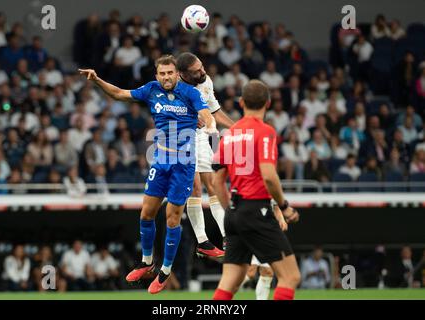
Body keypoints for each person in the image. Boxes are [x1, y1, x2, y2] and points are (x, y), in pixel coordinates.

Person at [79, 55, 216, 294]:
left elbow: (206, 114)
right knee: (146, 214)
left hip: (183, 163)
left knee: (172, 218)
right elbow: (120, 94)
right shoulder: (151, 89)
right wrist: (97, 80)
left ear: (177, 74)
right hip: (161, 159)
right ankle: (146, 262)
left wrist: (210, 125)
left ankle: (165, 271)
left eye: (170, 73)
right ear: (157, 75)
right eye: (162, 73)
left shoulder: (191, 93)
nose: (166, 77)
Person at [212, 80, 301, 300]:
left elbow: (216, 182)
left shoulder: (229, 134)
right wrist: (284, 207)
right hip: (257, 210)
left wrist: (231, 210)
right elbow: (269, 176)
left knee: (229, 282)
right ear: (268, 103)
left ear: (241, 102)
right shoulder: (266, 131)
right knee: (290, 277)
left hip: (233, 213)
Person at [176, 52, 235, 259]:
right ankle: (202, 241)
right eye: (196, 71)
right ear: (183, 74)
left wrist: (237, 127)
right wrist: (191, 119)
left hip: (202, 136)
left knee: (213, 184)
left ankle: (228, 238)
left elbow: (215, 111)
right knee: (195, 187)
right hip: (179, 136)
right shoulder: (173, 86)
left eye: (201, 67)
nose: (203, 72)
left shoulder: (206, 81)